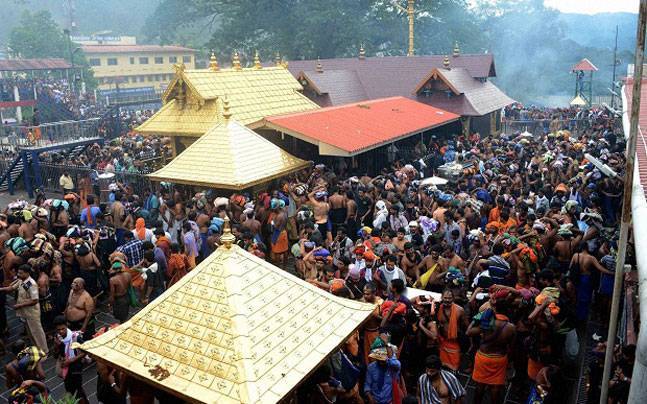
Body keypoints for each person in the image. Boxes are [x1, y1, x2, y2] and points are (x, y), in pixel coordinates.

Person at [467, 291, 516, 404]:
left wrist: (477, 318)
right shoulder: (511, 328)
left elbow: (468, 332)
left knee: (480, 386)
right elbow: (512, 348)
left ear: (495, 309)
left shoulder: (487, 322)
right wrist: (508, 363)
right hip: (499, 359)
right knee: (496, 388)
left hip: (483, 357)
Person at [0, 265, 48, 354]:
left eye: (21, 273)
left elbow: (35, 300)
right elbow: (11, 288)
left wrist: (20, 305)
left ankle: (44, 351)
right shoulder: (21, 281)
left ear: (27, 273)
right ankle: (36, 349)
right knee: (30, 333)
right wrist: (1, 289)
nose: (18, 274)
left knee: (37, 333)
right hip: (26, 312)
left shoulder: (31, 284)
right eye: (18, 272)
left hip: (32, 313)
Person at [53, 315, 89, 404]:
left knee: (78, 391)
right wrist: (56, 347)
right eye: (58, 330)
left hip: (75, 368)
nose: (61, 331)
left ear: (67, 325)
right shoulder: (57, 338)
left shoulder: (75, 337)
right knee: (71, 390)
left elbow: (86, 351)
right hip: (65, 369)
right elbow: (55, 355)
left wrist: (71, 360)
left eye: (63, 329)